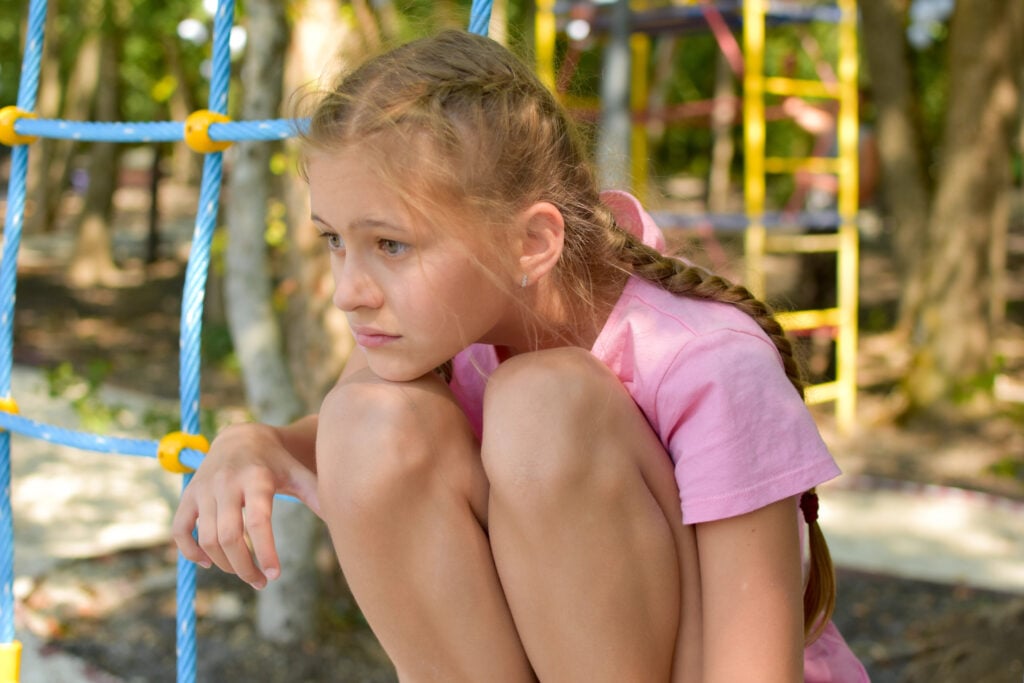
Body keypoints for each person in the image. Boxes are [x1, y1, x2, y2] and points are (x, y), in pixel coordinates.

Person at [172, 29, 869, 682]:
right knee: (365, 419)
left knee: (542, 402)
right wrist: (254, 443)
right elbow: (343, 449)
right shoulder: (446, 325)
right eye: (333, 239)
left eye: (390, 244)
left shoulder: (708, 360)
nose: (347, 293)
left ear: (533, 242)